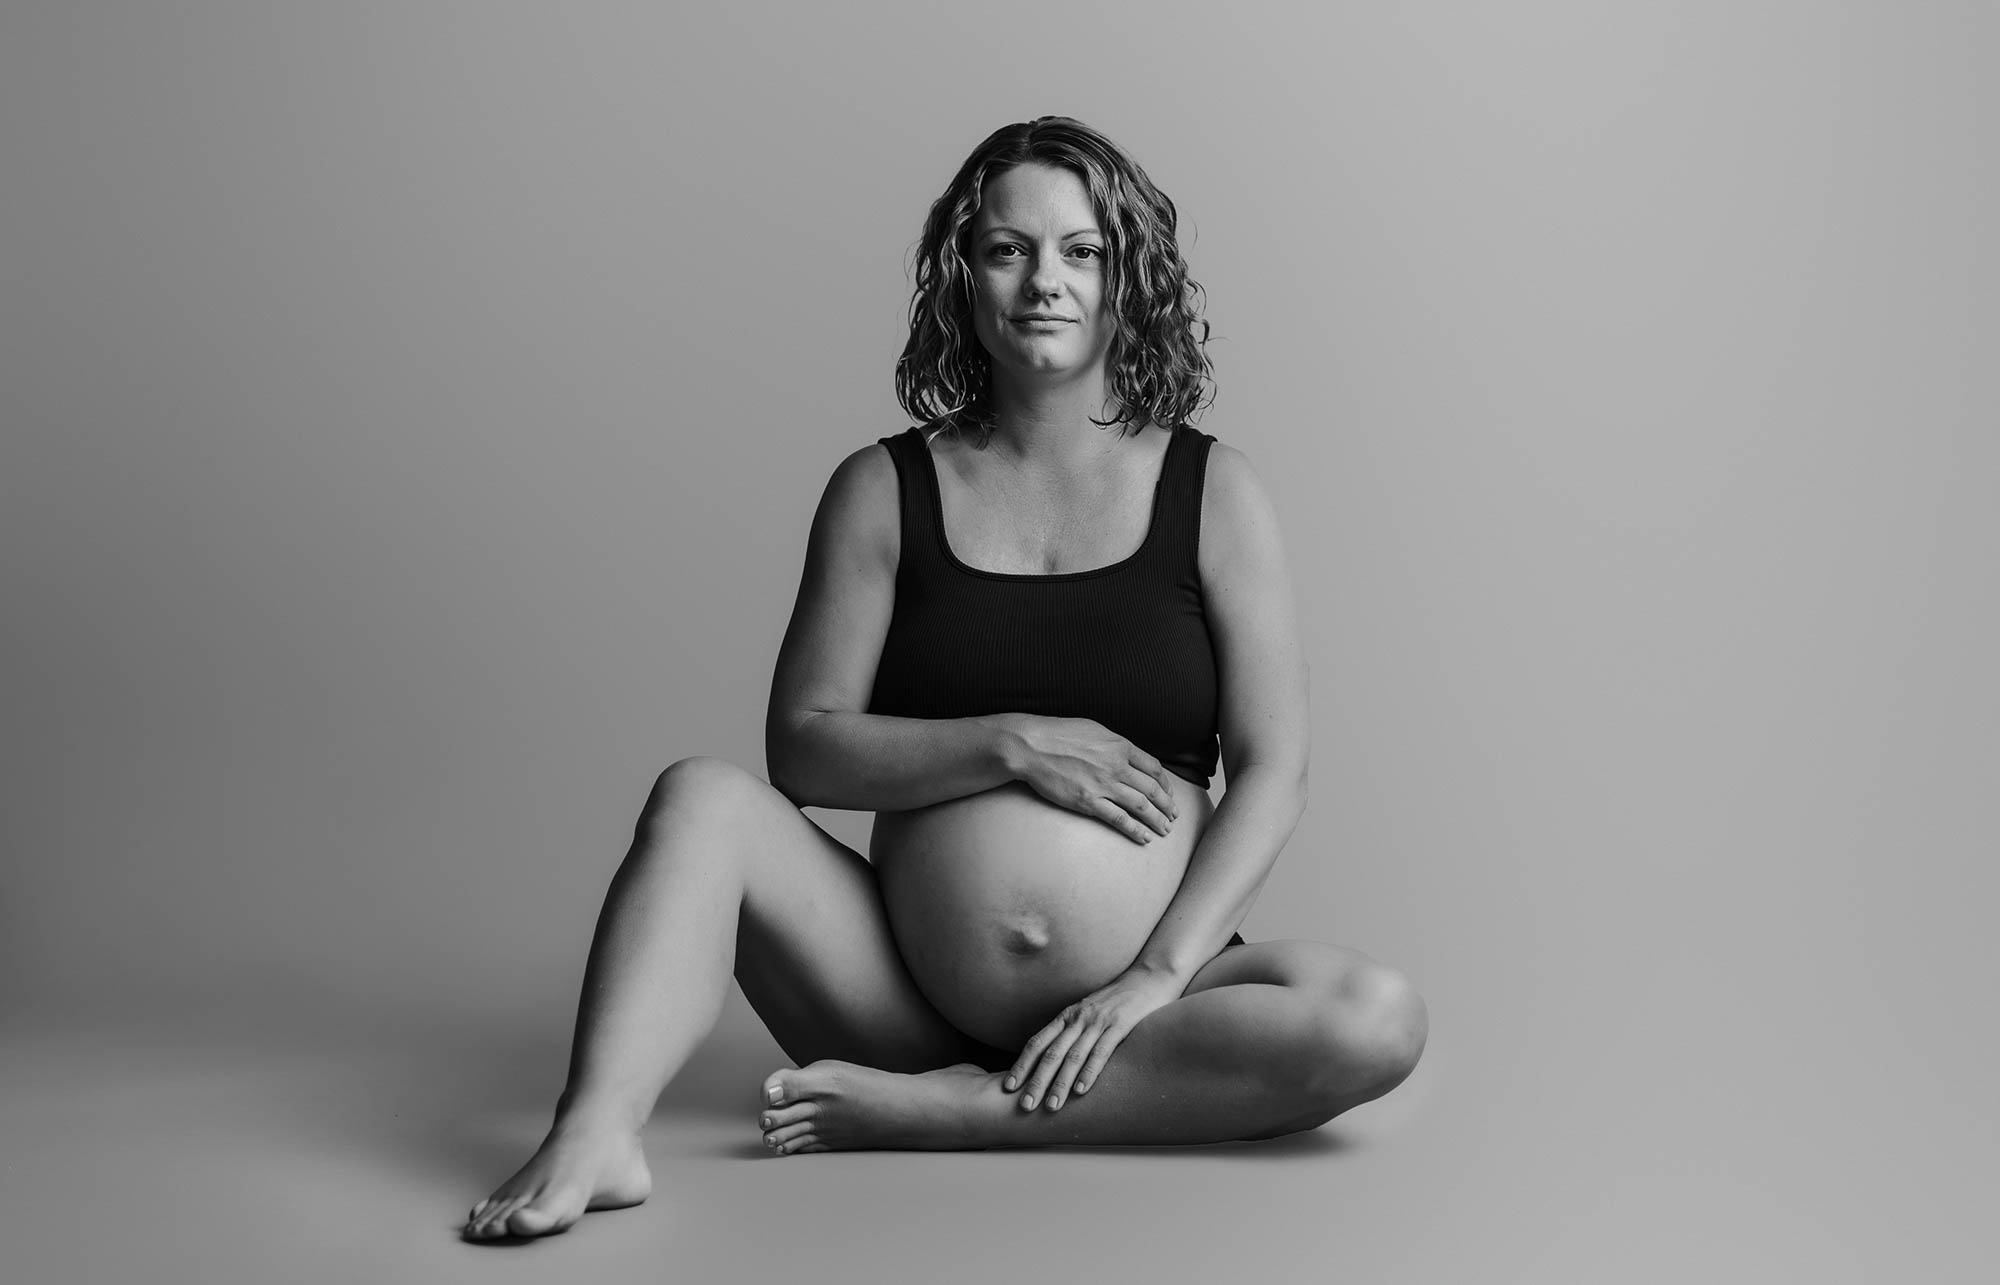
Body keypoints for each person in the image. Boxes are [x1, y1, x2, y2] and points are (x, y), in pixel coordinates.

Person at [463, 115, 1427, 1241]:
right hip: (898, 1003)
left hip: (1143, 1015)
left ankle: (974, 1112)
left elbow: (1274, 769)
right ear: (961, 276)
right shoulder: (880, 488)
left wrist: (1155, 975)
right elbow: (804, 750)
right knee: (698, 797)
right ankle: (593, 1134)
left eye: (1083, 251)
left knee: (1375, 1019)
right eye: (1007, 249)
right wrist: (1007, 741)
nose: (1043, 282)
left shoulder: (1216, 492)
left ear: (1131, 277)